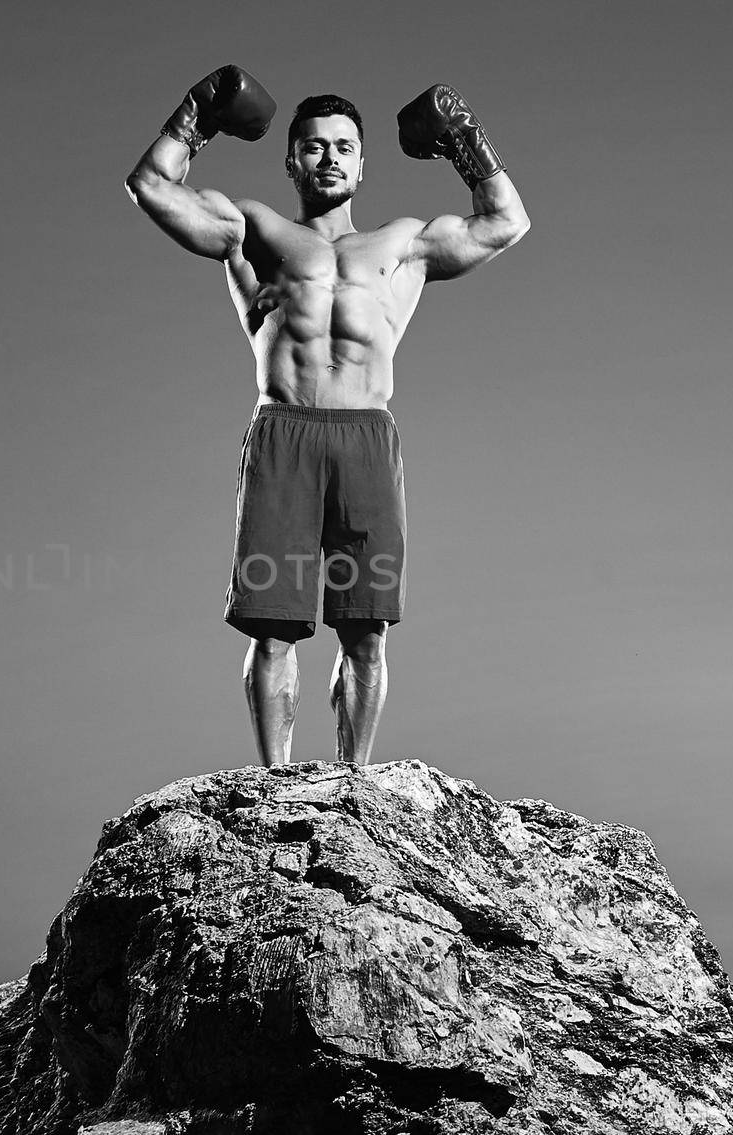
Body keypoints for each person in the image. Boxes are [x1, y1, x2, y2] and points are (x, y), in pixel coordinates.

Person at [124, 66, 530, 767]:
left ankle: (355, 785)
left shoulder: (403, 245)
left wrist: (466, 140)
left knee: (365, 630)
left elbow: (506, 221)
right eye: (314, 146)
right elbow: (152, 187)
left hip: (365, 437)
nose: (330, 157)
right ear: (292, 160)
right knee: (273, 629)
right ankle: (273, 782)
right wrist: (197, 114)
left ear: (364, 163)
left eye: (344, 146)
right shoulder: (254, 229)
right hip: (285, 434)